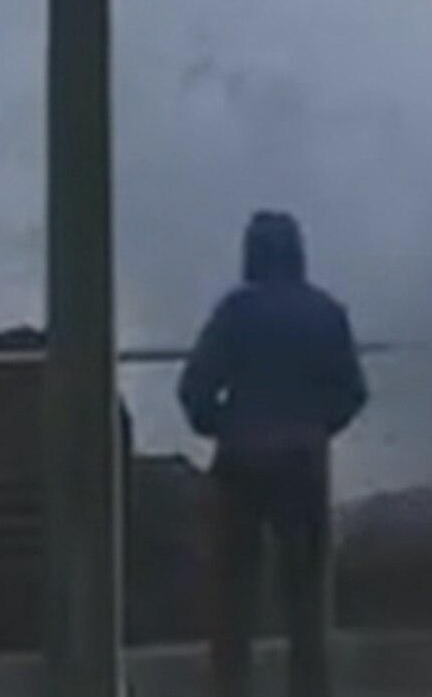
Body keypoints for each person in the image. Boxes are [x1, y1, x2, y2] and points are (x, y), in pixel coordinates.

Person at [176, 210, 368, 697]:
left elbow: (195, 387)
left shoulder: (234, 312)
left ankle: (231, 689)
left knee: (233, 601)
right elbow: (353, 392)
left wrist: (220, 425)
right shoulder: (327, 312)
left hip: (240, 465)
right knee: (305, 603)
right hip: (303, 464)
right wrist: (317, 427)